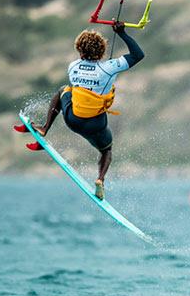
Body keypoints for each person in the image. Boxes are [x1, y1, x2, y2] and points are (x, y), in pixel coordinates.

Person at [16, 22, 144, 200]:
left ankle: (45, 128)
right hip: (97, 123)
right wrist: (121, 32)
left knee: (63, 90)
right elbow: (138, 55)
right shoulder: (109, 67)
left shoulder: (73, 66)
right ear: (101, 51)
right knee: (106, 150)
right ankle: (100, 179)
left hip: (73, 119)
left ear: (80, 51)